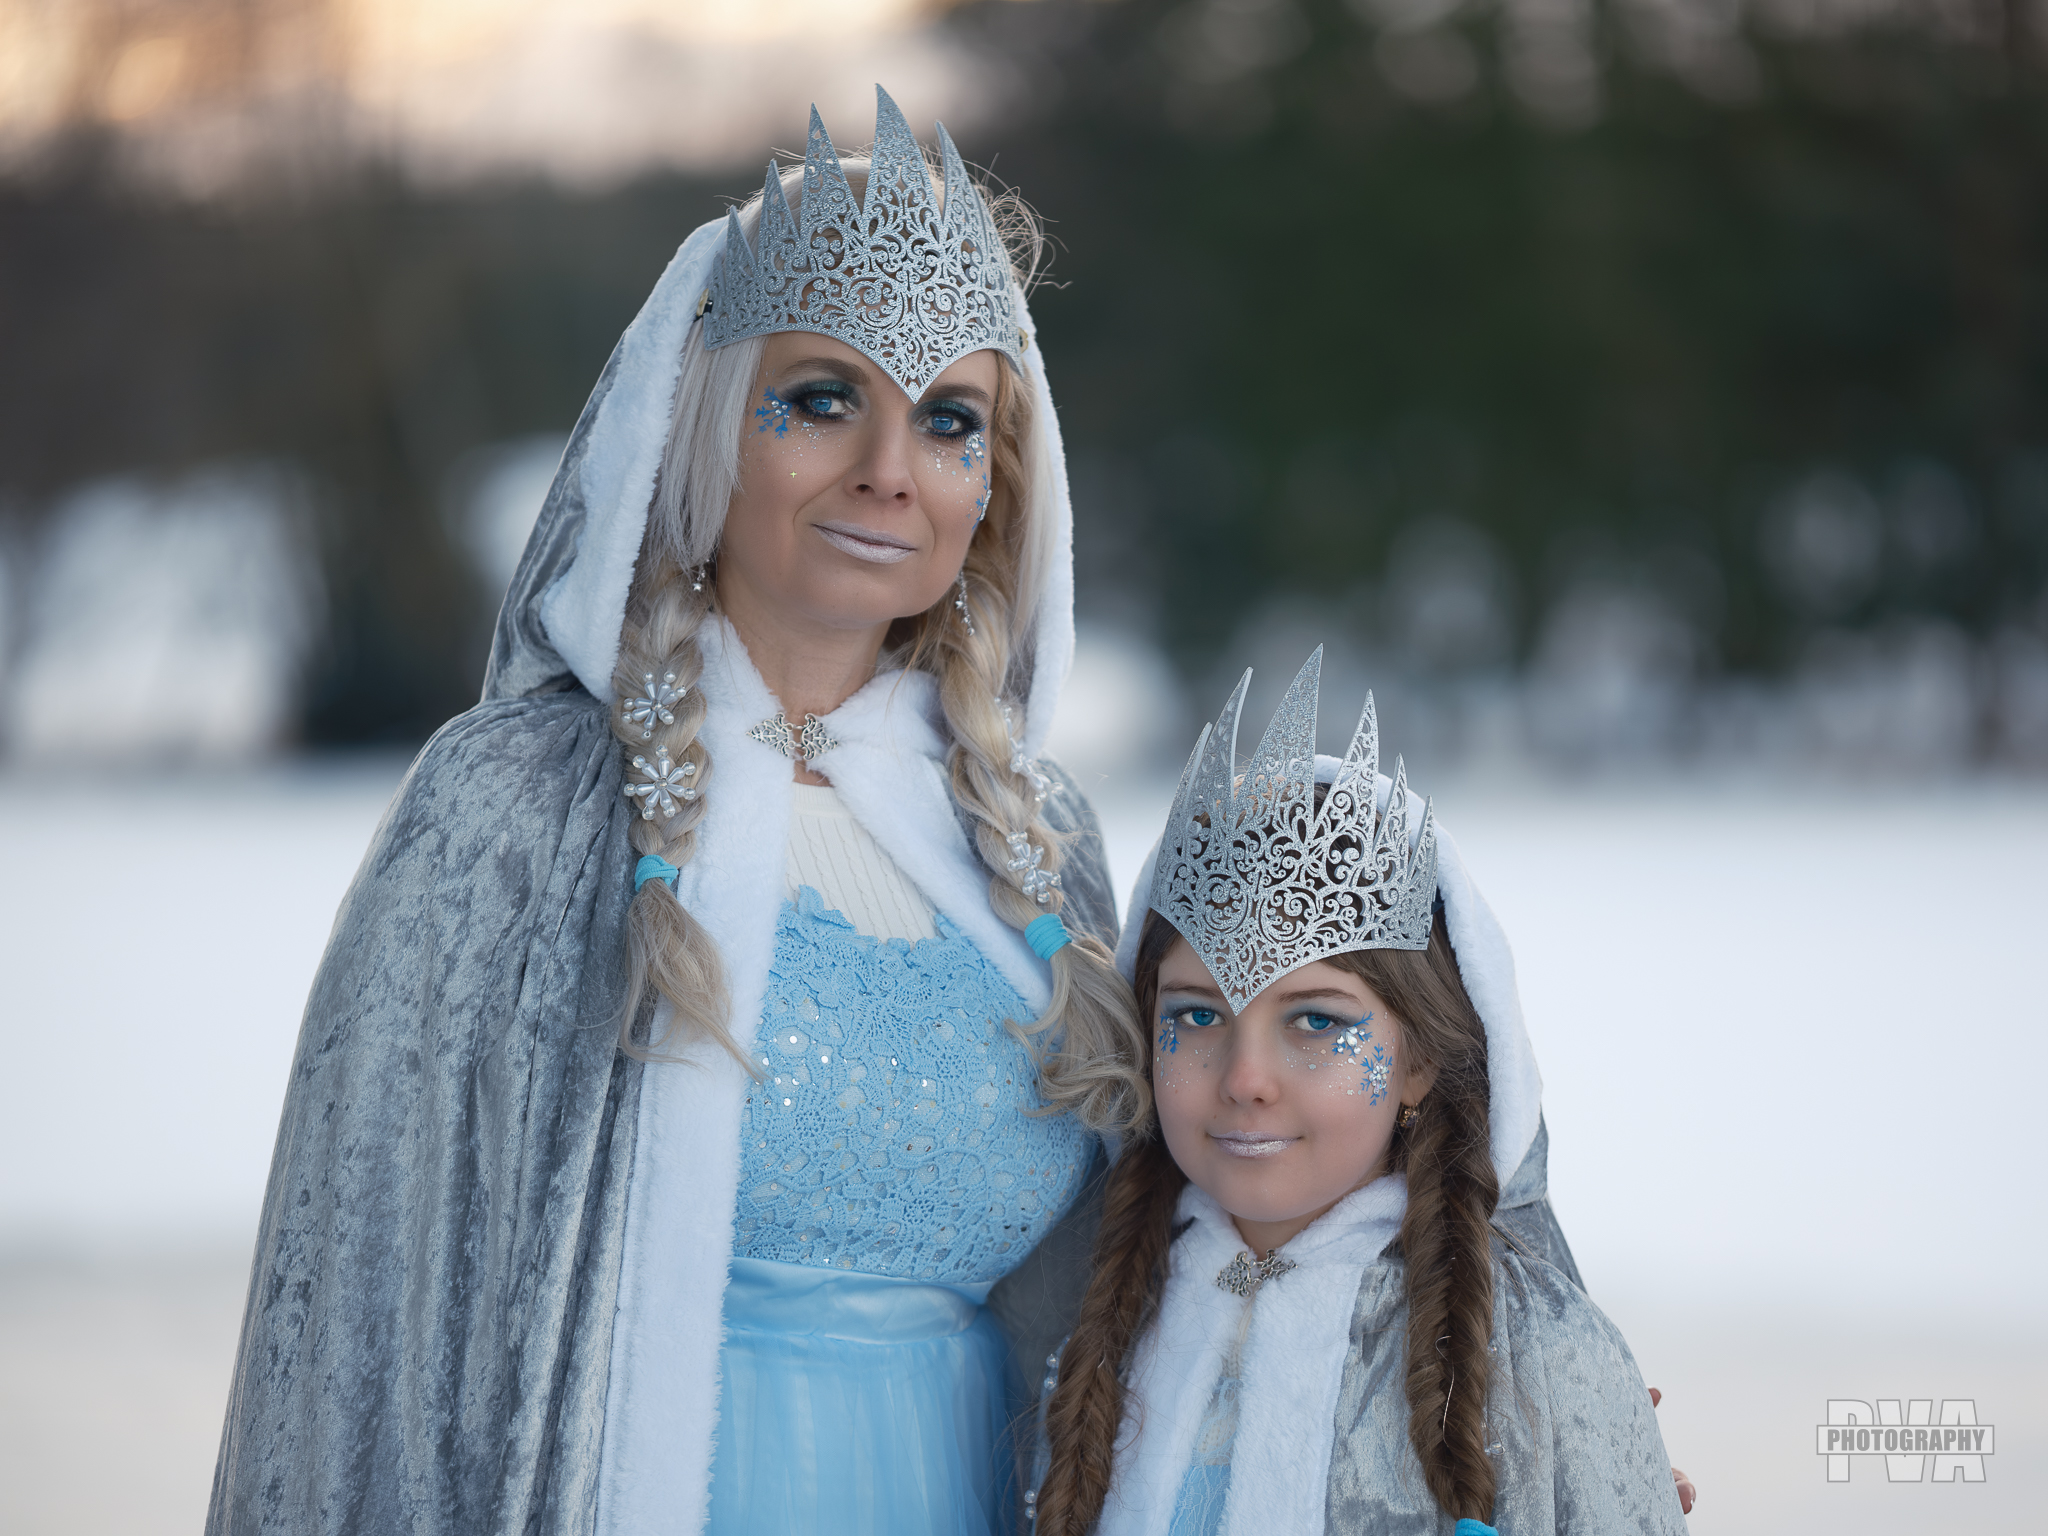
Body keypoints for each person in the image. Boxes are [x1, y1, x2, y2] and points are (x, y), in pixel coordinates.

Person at [207, 89, 1147, 1536]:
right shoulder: (513, 810)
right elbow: (351, 1332)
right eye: (821, 400)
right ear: (702, 424)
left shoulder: (1033, 833)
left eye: (949, 422)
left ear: (996, 486)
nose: (888, 470)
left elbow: (1182, 1258)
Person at [1031, 651, 1691, 1536]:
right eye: (1196, 1016)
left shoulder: (1535, 1356)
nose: (1246, 1080)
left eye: (1316, 1022)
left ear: (1420, 1061)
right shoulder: (1105, 1329)